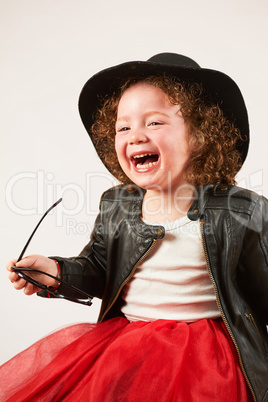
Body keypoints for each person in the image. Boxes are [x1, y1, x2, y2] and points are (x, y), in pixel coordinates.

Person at [2, 53, 268, 401]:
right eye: (123, 127)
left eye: (154, 123)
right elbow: (98, 267)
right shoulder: (118, 204)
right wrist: (55, 271)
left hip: (209, 360)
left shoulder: (241, 210)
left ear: (201, 135)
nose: (136, 135)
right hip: (128, 346)